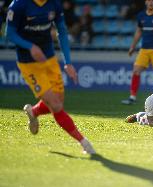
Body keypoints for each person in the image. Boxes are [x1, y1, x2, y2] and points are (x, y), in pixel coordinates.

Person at [5, 0, 95, 154]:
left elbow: (62, 30)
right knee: (56, 106)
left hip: (49, 59)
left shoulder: (54, 4)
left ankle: (33, 111)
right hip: (29, 64)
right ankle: (84, 143)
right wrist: (30, 47)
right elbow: (10, 33)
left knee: (57, 102)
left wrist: (68, 63)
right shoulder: (19, 5)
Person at [121, 0, 153, 105]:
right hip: (144, 49)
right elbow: (138, 31)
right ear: (145, 2)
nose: (151, 2)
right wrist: (132, 46)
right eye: (149, 0)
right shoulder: (141, 15)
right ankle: (132, 97)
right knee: (136, 71)